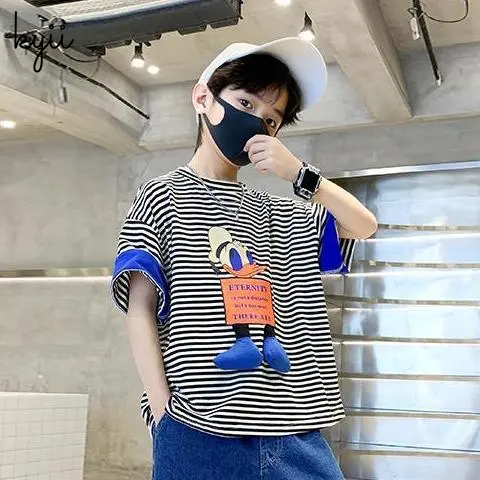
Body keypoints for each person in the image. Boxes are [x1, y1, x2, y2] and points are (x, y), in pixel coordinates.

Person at [111, 37, 377, 480]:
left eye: (270, 119)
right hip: (197, 431)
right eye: (245, 103)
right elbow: (139, 308)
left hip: (295, 433)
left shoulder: (281, 212)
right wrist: (162, 410)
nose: (255, 122)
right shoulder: (163, 195)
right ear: (203, 98)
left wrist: (300, 174)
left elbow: (363, 224)